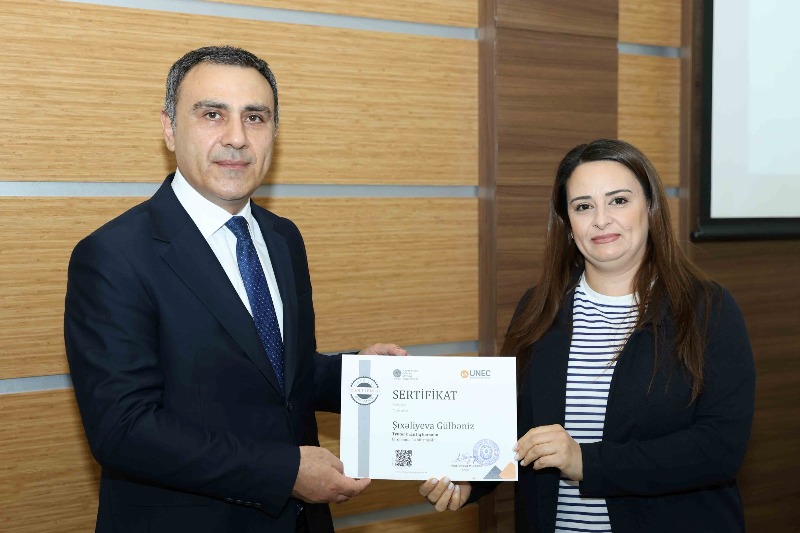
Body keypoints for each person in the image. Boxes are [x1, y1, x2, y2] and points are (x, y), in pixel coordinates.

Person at [64, 45, 406, 533]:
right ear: (169, 127)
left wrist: (357, 375)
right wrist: (285, 472)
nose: (237, 138)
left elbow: (277, 373)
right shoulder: (113, 255)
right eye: (212, 114)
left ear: (274, 133)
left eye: (255, 117)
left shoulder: (283, 237)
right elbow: (125, 429)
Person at [419, 139, 756, 532]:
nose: (601, 220)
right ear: (567, 223)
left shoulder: (706, 308)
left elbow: (720, 448)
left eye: (618, 201)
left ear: (650, 208)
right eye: (583, 206)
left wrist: (586, 461)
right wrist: (469, 479)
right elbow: (512, 428)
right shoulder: (538, 309)